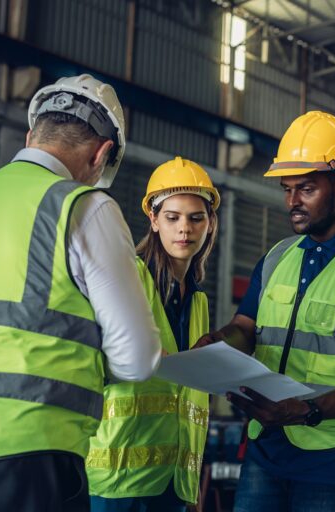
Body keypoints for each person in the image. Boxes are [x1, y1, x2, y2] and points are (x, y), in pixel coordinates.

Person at [0, 74, 162, 512]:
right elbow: (137, 359)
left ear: (30, 136)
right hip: (27, 450)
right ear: (102, 154)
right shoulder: (85, 206)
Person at [196, 111, 335, 512]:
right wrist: (218, 342)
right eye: (287, 189)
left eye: (306, 189)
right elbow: (245, 327)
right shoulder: (277, 257)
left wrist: (309, 410)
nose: (292, 202)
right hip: (268, 450)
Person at [86, 157, 219, 512]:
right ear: (154, 220)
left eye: (196, 218)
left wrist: (192, 489)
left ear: (210, 223)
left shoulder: (198, 301)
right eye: (172, 218)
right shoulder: (129, 278)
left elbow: (189, 395)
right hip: (117, 480)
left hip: (174, 483)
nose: (184, 229)